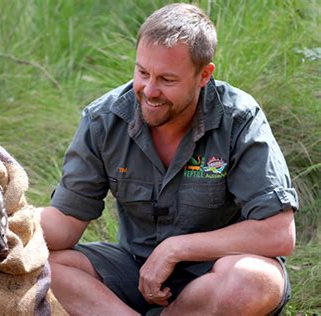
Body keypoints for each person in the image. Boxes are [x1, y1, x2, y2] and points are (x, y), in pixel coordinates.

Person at [40, 3, 298, 315]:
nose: (149, 90)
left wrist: (176, 249)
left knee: (254, 281)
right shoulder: (104, 120)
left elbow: (278, 233)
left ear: (204, 75)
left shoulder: (239, 119)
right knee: (41, 266)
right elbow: (65, 222)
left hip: (215, 274)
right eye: (142, 72)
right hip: (133, 271)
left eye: (167, 79)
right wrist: (3, 221)